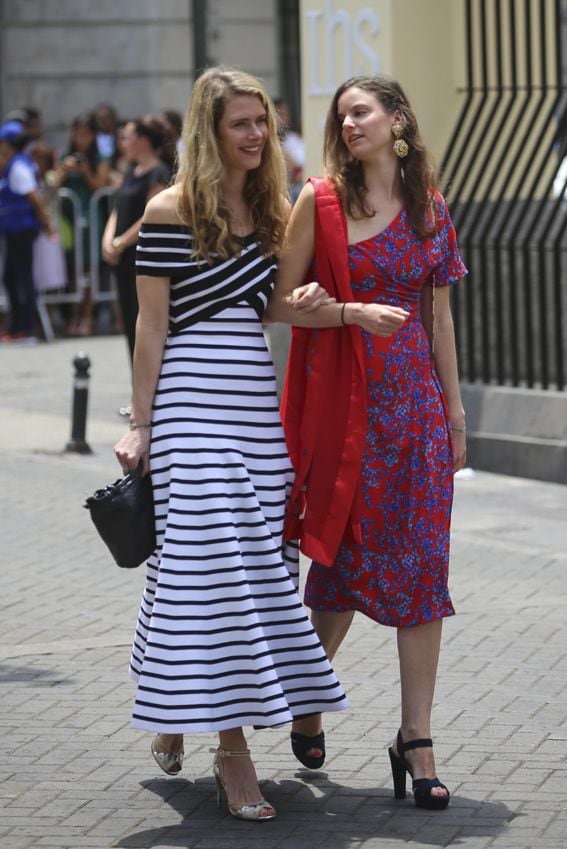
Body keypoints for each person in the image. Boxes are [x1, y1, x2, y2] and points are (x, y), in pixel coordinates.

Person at [113, 66, 348, 823]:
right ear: (209, 131)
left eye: (260, 121)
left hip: (251, 401)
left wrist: (315, 303)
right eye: (240, 123)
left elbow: (270, 304)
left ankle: (174, 703)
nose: (255, 133)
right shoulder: (168, 208)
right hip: (187, 400)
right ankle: (233, 750)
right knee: (213, 566)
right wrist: (139, 422)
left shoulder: (269, 207)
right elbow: (151, 325)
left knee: (231, 566)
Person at [266, 74, 468, 810]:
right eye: (341, 114)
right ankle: (307, 696)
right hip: (344, 415)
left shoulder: (429, 209)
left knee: (421, 575)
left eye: (362, 111)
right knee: (340, 570)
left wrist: (452, 415)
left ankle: (415, 738)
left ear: (395, 121)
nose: (348, 123)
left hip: (412, 414)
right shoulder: (316, 202)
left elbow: (439, 318)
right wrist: (342, 309)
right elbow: (281, 304)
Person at [101, 117, 170, 363]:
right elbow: (117, 209)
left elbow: (150, 216)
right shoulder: (132, 172)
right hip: (123, 258)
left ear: (142, 141)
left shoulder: (159, 173)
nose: (123, 143)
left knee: (145, 321)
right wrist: (108, 239)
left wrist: (121, 242)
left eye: (127, 138)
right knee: (129, 322)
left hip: (142, 257)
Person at [55, 112, 111, 335]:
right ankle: (73, 315)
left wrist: (86, 170)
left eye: (85, 134)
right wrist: (63, 170)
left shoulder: (100, 158)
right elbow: (54, 183)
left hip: (91, 217)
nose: (79, 137)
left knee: (90, 268)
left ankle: (87, 317)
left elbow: (100, 186)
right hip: (69, 220)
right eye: (76, 133)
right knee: (70, 269)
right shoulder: (63, 156)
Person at [0, 120, 55, 343]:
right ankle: (17, 328)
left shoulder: (18, 166)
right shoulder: (14, 164)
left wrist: (47, 225)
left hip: (21, 230)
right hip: (14, 230)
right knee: (12, 278)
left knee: (22, 279)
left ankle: (27, 329)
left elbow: (35, 199)